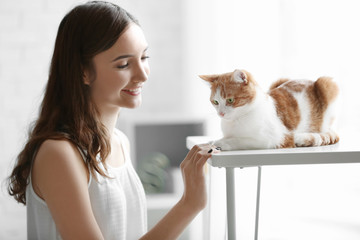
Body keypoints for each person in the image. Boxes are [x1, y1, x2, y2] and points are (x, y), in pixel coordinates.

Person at [7, 1, 219, 239]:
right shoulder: (59, 154)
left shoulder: (120, 142)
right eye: (124, 64)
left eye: (144, 57)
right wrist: (189, 205)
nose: (142, 75)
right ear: (83, 71)